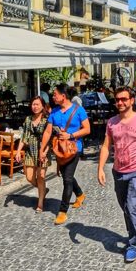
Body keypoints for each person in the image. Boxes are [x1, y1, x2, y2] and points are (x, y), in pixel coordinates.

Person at [98, 87, 136, 263]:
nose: (120, 102)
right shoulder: (112, 122)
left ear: (131, 100)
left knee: (133, 206)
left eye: (124, 99)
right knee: (125, 207)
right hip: (118, 172)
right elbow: (106, 146)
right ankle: (133, 233)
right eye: (117, 100)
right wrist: (100, 168)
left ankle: (133, 243)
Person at [40, 84, 90, 225]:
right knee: (67, 176)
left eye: (55, 94)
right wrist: (42, 149)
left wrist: (71, 135)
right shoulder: (54, 112)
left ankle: (62, 211)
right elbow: (48, 132)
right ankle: (80, 194)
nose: (53, 96)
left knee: (67, 179)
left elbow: (87, 129)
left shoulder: (79, 110)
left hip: (74, 148)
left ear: (64, 96)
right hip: (59, 149)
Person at [14, 97, 51, 212]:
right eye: (33, 104)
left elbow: (51, 138)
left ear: (42, 106)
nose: (35, 107)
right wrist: (18, 150)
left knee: (41, 176)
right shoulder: (28, 119)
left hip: (43, 151)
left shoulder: (47, 120)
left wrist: (44, 152)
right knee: (29, 177)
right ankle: (43, 190)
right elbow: (24, 137)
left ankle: (40, 204)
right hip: (30, 151)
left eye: (37, 104)